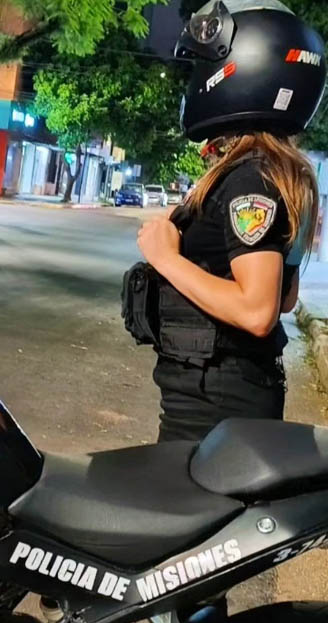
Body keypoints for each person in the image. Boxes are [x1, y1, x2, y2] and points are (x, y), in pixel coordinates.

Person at [135, 0, 326, 442]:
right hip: (222, 399)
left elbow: (258, 311)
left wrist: (166, 257)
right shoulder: (276, 174)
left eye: (206, 65)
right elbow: (285, 298)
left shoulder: (251, 179)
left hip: (214, 409)